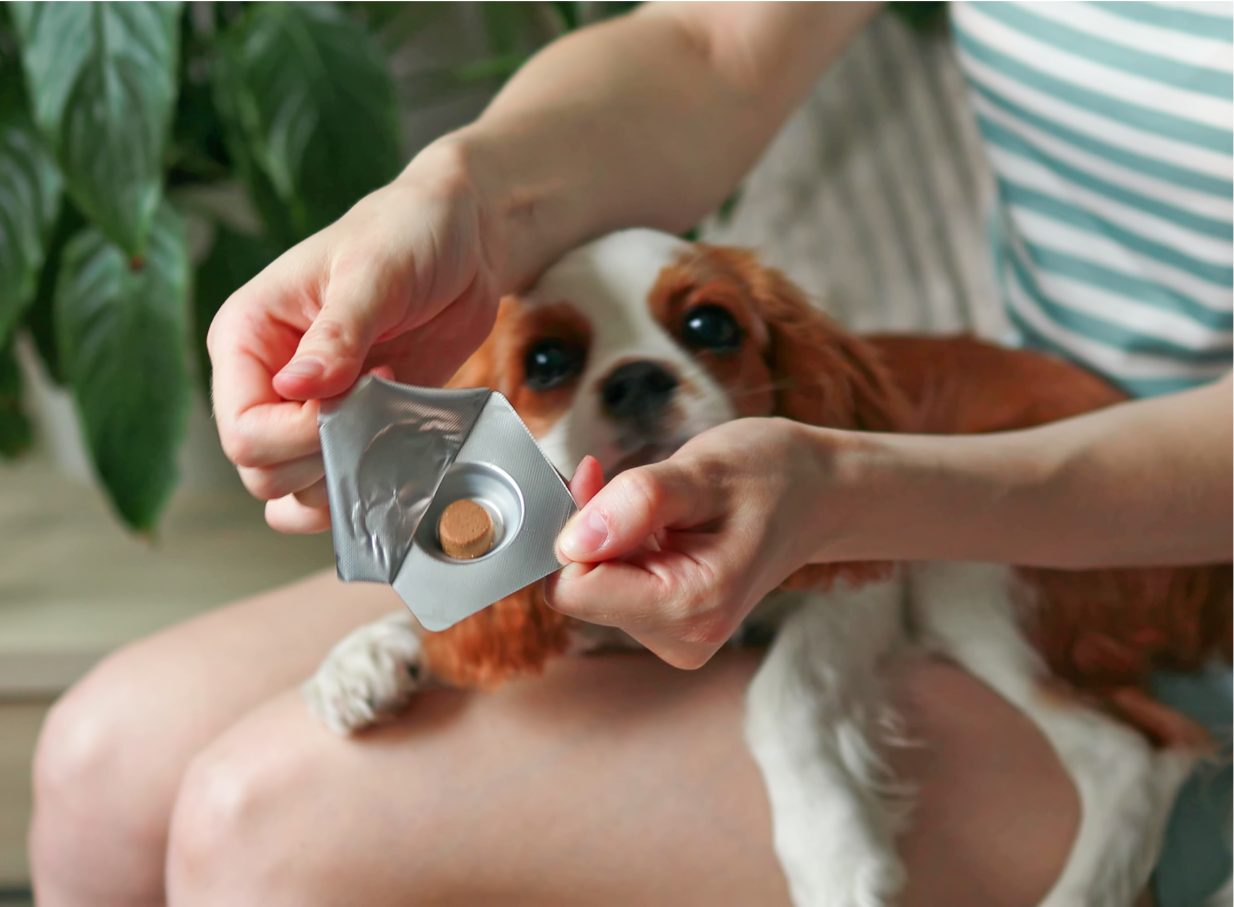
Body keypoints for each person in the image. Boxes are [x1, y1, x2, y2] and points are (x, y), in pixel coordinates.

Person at [29, 2, 1232, 906]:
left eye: (704, 329)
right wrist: (462, 191)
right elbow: (709, 46)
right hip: (980, 439)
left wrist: (871, 494)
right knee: (102, 752)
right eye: (553, 362)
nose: (649, 370)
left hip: (1144, 560)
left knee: (260, 825)